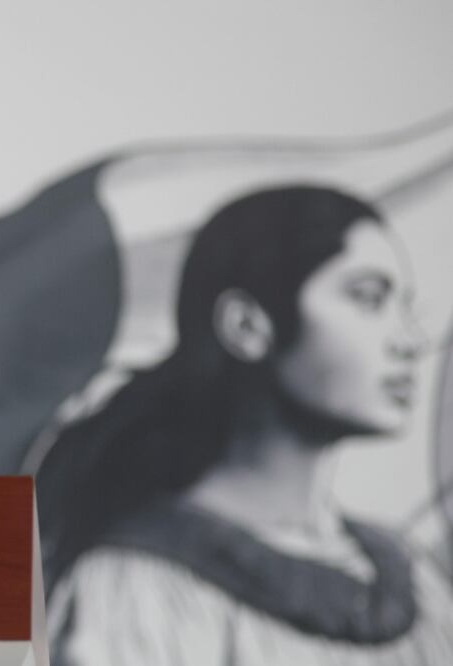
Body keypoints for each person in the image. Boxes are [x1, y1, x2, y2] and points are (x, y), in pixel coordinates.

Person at [36, 185, 453, 664]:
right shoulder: (135, 585)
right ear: (247, 326)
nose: (411, 340)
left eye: (406, 307)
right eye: (368, 298)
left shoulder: (416, 583)